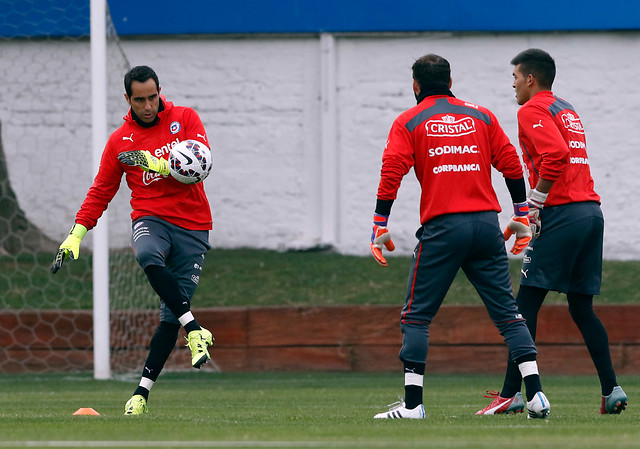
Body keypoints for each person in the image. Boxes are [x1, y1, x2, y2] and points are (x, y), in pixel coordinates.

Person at [370, 54, 550, 420]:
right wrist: (519, 214)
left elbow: (392, 171)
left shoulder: (409, 120)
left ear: (416, 87)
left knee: (417, 317)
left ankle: (413, 405)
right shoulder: (482, 114)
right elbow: (511, 164)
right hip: (486, 226)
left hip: (443, 228)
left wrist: (379, 222)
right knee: (508, 314)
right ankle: (536, 396)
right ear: (451, 82)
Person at [50, 65, 214, 416]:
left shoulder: (185, 119)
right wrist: (76, 234)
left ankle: (141, 395)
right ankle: (197, 330)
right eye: (139, 99)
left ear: (159, 92)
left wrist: (157, 164)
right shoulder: (119, 141)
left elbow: (202, 164)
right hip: (150, 218)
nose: (148, 105)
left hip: (194, 225)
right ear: (128, 99)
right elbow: (101, 191)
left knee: (171, 317)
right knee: (147, 255)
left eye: (153, 97)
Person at [477, 48, 627, 416]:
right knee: (581, 307)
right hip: (592, 213)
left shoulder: (530, 110)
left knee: (525, 303)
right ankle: (612, 390)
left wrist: (536, 204)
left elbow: (556, 156)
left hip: (563, 213)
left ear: (530, 79)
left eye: (514, 78)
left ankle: (511, 394)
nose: (512, 85)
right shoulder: (566, 108)